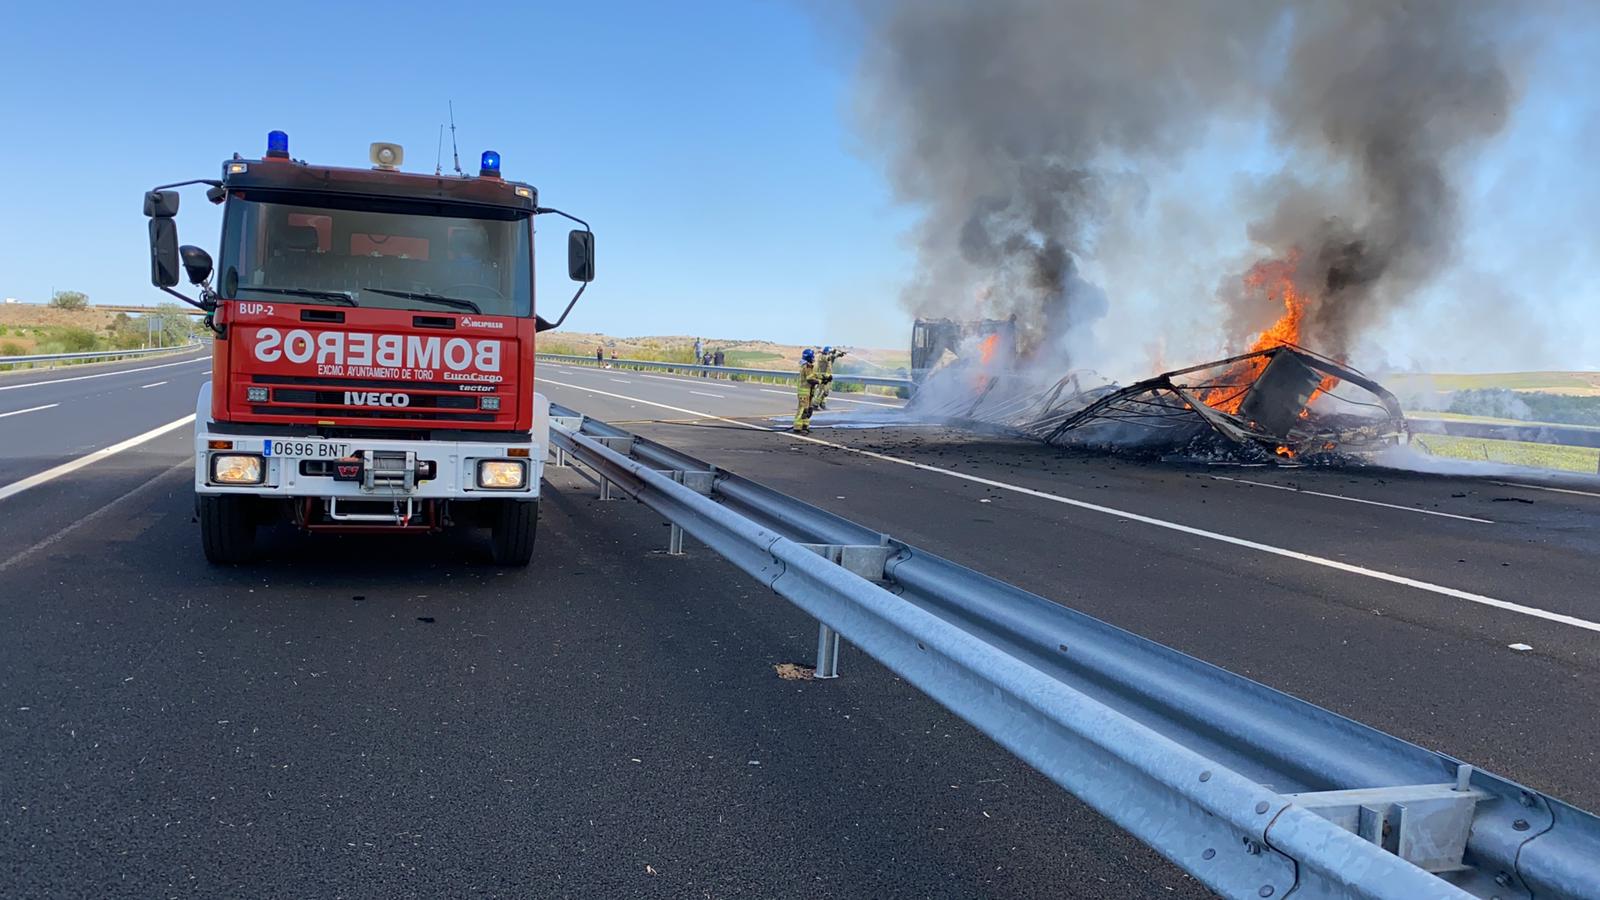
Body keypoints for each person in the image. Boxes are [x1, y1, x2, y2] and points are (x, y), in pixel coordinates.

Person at [793, 348, 821, 434]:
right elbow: (810, 379)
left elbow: (812, 375)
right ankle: (797, 427)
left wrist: (822, 376)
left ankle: (805, 426)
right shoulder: (807, 366)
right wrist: (819, 381)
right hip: (804, 392)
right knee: (803, 410)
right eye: (812, 357)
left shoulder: (808, 365)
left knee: (808, 410)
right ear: (808, 357)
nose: (813, 358)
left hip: (809, 392)